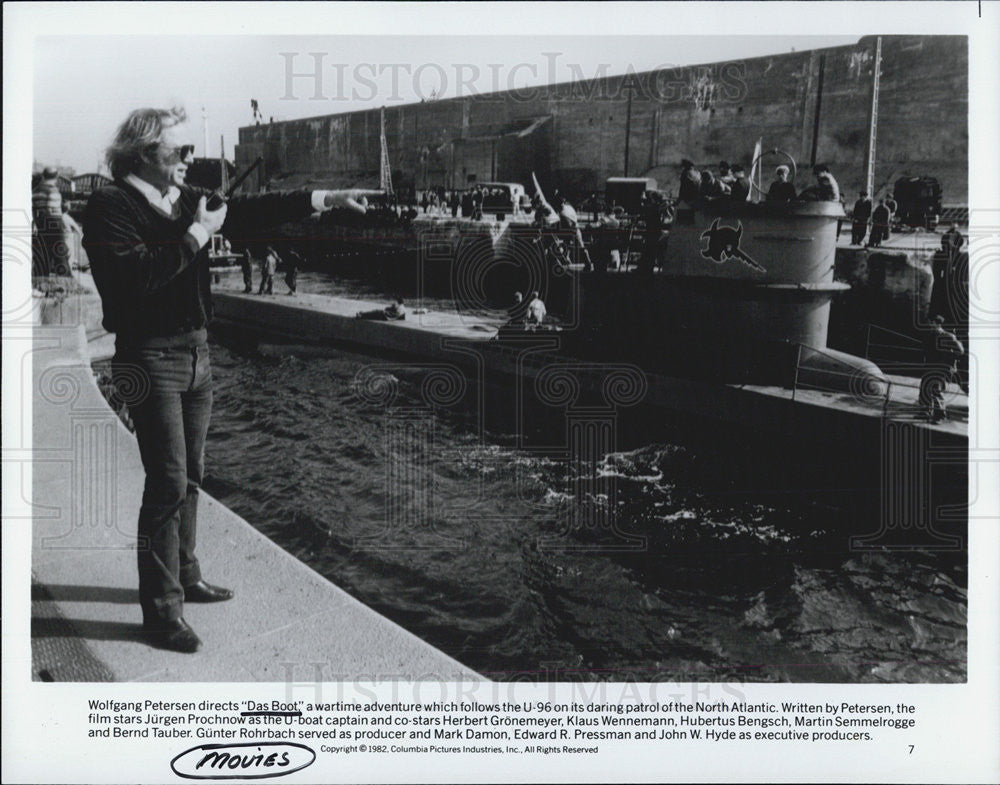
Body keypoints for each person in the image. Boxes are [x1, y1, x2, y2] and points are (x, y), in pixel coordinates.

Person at [82, 106, 379, 653]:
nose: (189, 160)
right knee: (167, 481)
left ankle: (187, 574)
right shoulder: (110, 205)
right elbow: (134, 277)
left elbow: (252, 211)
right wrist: (198, 233)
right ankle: (161, 611)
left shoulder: (186, 197)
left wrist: (324, 199)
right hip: (149, 356)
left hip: (197, 352)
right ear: (145, 153)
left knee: (192, 473)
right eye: (180, 151)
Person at [919, 316, 964, 423]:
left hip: (942, 368)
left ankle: (940, 415)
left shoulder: (948, 336)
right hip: (930, 366)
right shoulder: (930, 335)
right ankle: (925, 412)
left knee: (936, 390)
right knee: (924, 388)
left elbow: (960, 351)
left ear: (937, 323)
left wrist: (950, 357)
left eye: (931, 323)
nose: (930, 325)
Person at [32, 166, 72, 277]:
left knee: (44, 253)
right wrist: (64, 208)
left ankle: (41, 277)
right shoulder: (53, 190)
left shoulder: (35, 191)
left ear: (43, 176)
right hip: (54, 223)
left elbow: (36, 209)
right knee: (60, 252)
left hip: (40, 223)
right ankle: (65, 279)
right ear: (57, 177)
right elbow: (53, 210)